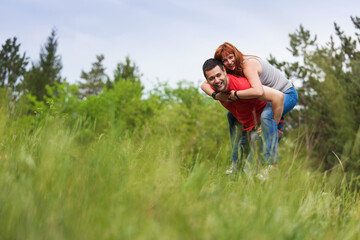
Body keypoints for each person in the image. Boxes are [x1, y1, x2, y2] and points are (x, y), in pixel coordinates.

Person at [201, 42, 298, 171]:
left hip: (286, 93)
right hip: (269, 97)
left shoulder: (248, 65)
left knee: (266, 116)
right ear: (222, 65)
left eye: (231, 57)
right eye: (224, 60)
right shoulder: (226, 72)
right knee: (232, 115)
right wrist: (216, 95)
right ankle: (236, 163)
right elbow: (204, 84)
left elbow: (259, 91)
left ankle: (270, 164)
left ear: (236, 53)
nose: (229, 62)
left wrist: (236, 94)